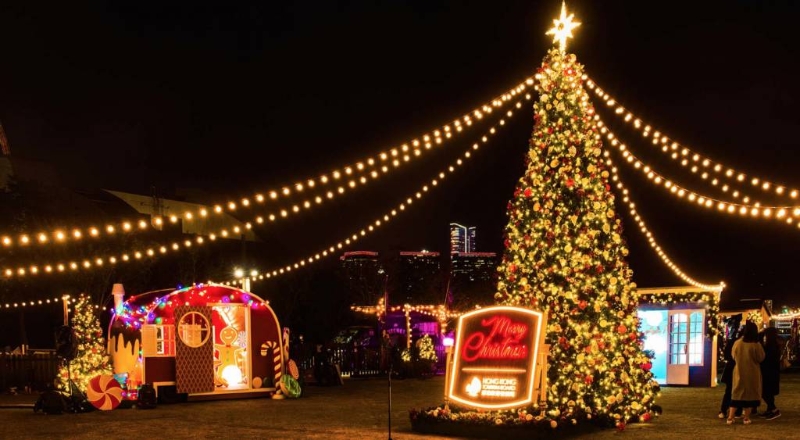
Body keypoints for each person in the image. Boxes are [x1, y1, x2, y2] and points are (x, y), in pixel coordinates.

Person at [727, 321, 765, 425]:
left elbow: (733, 355)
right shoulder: (756, 344)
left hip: (739, 371)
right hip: (752, 373)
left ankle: (730, 417)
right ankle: (746, 417)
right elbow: (761, 358)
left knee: (736, 394)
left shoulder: (738, 343)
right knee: (750, 396)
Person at [718, 319, 740, 419]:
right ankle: (737, 411)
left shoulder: (731, 341)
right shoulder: (739, 341)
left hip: (731, 367)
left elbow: (727, 355)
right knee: (737, 390)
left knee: (729, 391)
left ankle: (724, 410)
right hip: (737, 367)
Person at [760, 327, 782, 420]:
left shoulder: (770, 346)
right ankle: (770, 409)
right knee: (769, 392)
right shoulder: (774, 345)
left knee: (765, 392)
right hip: (773, 372)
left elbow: (766, 358)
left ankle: (774, 409)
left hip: (769, 372)